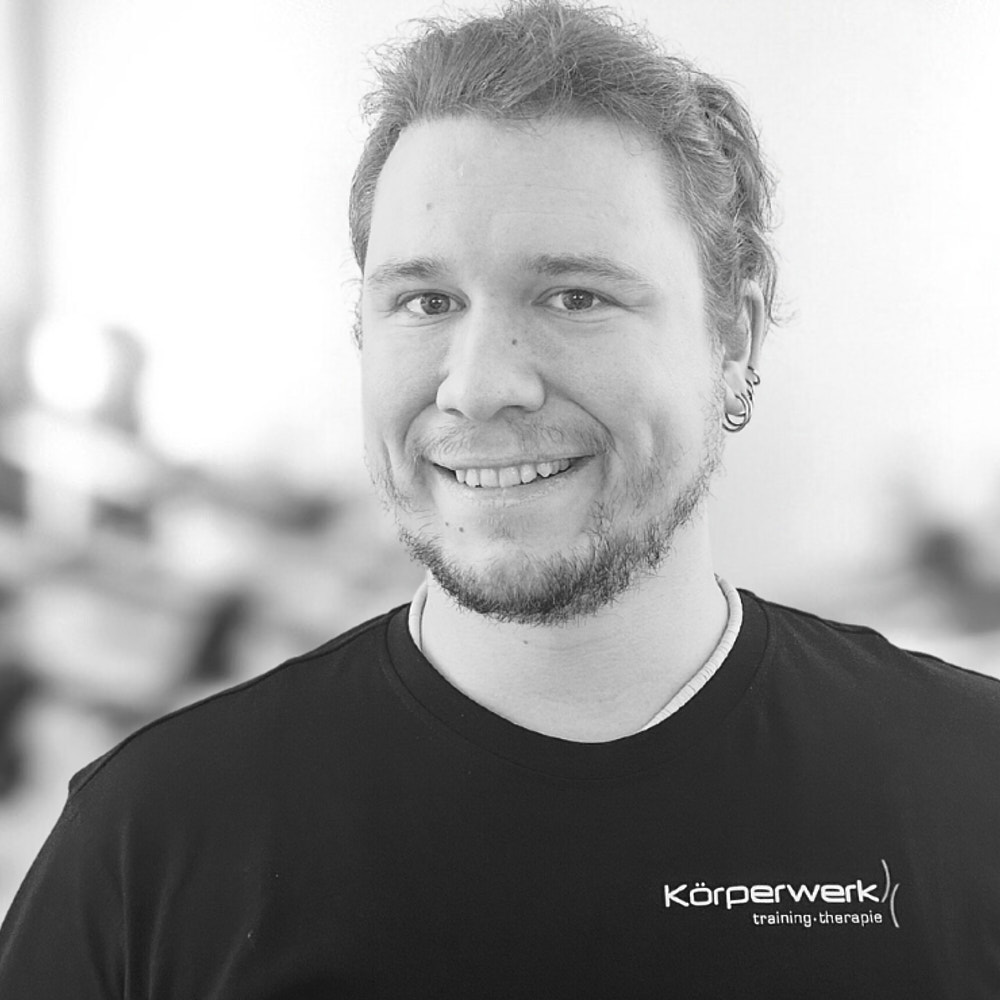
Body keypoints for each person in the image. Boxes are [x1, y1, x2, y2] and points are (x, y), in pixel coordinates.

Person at [2, 1, 998, 995]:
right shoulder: (151, 840)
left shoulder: (968, 785)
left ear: (732, 337)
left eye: (575, 297)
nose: (478, 386)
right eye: (425, 302)